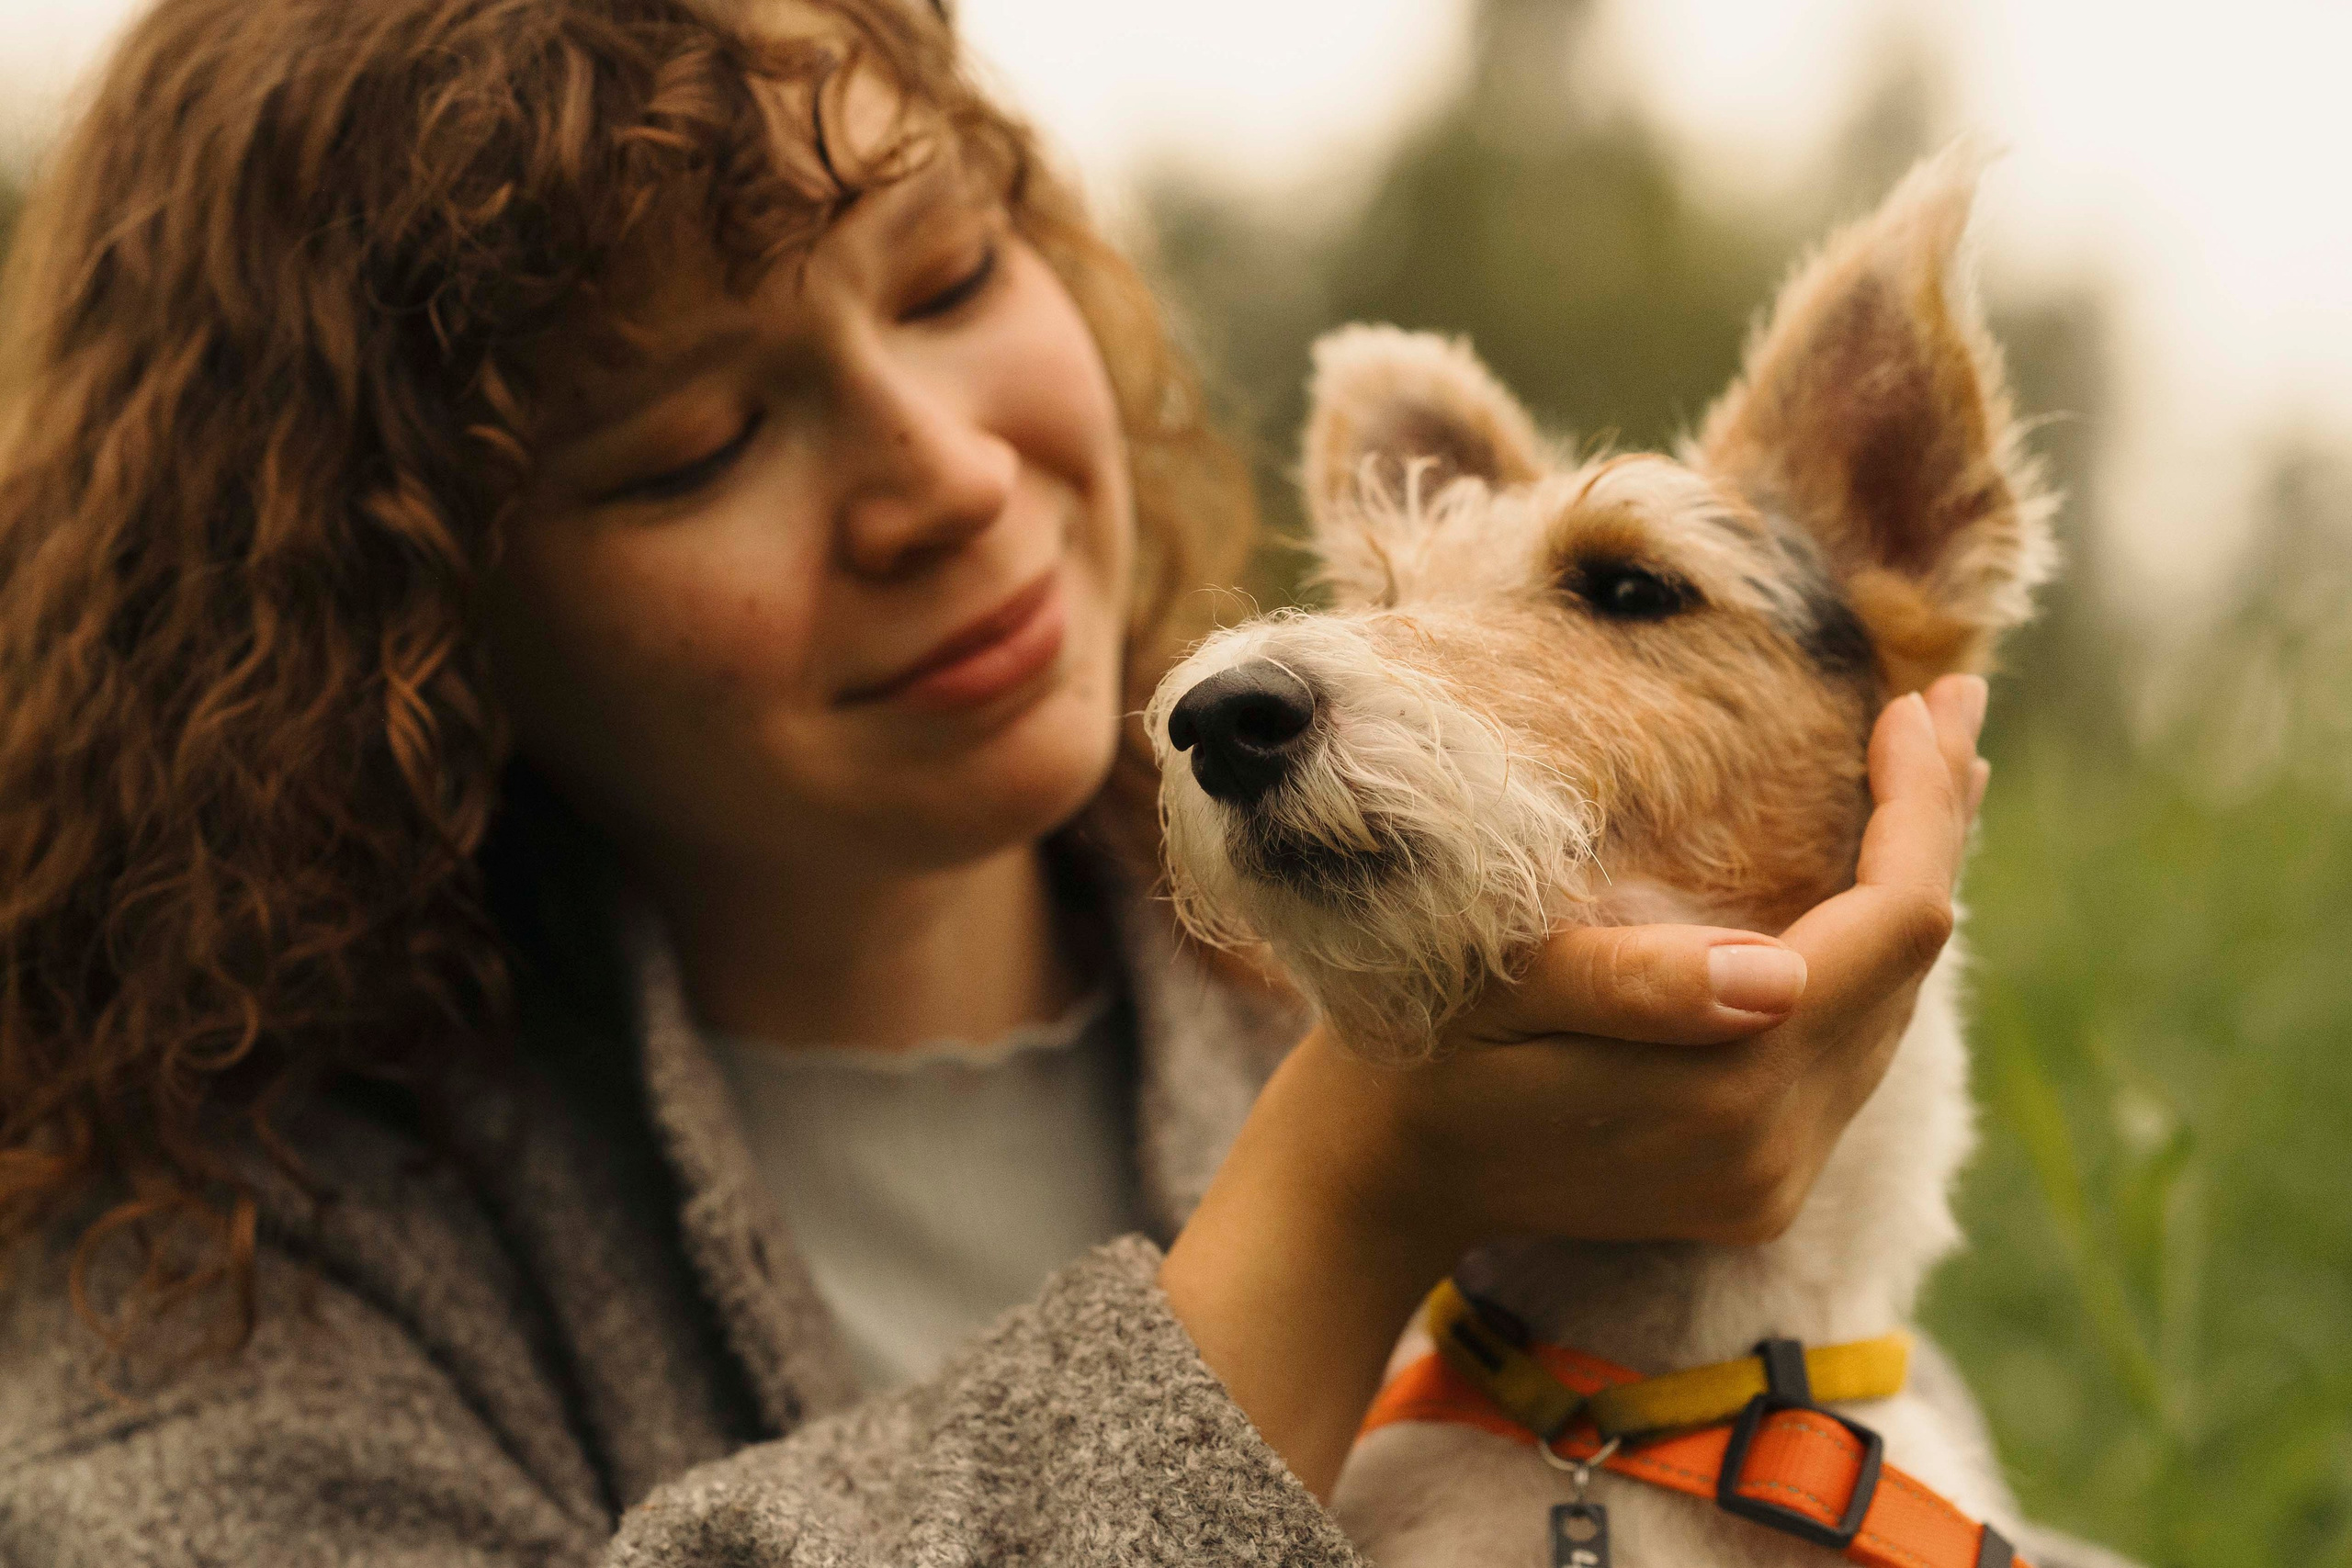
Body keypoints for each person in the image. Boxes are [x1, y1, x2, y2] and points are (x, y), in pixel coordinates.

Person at [0, 0, 1994, 1561]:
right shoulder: (196, 1293)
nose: (947, 473)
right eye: (695, 443)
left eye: (950, 277)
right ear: (395, 617)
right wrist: (1347, 1192)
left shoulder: (1493, 1004)